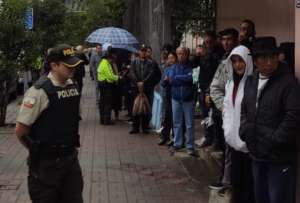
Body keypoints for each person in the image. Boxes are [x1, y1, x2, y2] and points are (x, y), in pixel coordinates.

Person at [15, 44, 84, 203]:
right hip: (46, 167)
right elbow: (20, 130)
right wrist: (38, 152)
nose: (73, 68)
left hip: (70, 161)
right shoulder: (39, 91)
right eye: (68, 65)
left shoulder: (73, 88)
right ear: (54, 65)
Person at [240, 37, 300, 203]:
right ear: (256, 61)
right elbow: (245, 109)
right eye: (264, 58)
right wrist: (244, 130)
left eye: (273, 57)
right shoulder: (251, 81)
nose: (269, 62)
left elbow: (293, 116)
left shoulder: (288, 82)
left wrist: (274, 140)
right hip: (257, 154)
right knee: (261, 198)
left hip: (279, 157)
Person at [223, 45, 254, 203]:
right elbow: (227, 109)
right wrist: (227, 132)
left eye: (240, 61)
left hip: (249, 148)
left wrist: (247, 139)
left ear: (248, 61)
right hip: (233, 145)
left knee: (248, 190)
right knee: (236, 186)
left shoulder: (253, 84)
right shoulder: (231, 84)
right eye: (234, 61)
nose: (237, 65)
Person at [209, 28, 239, 189]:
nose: (226, 42)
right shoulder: (222, 60)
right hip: (225, 114)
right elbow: (215, 87)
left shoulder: (246, 58)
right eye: (223, 39)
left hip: (243, 116)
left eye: (229, 39)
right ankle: (226, 180)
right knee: (226, 148)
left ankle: (229, 181)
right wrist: (225, 108)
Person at [167, 47, 196, 156]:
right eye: (178, 54)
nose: (180, 56)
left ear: (187, 54)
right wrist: (183, 78)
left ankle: (190, 146)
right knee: (177, 123)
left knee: (189, 124)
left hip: (188, 99)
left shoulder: (192, 66)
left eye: (182, 54)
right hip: (176, 99)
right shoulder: (173, 67)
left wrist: (177, 78)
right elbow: (171, 80)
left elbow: (192, 78)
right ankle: (177, 143)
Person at [129, 44, 158, 134]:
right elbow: (132, 73)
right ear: (139, 52)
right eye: (141, 51)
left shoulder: (150, 63)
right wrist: (137, 82)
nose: (143, 52)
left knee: (146, 107)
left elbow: (151, 73)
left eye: (145, 51)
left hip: (146, 88)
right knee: (135, 107)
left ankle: (145, 127)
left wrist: (143, 82)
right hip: (136, 88)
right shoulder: (134, 62)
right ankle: (135, 127)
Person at [158, 51, 177, 146]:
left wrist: (172, 80)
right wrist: (166, 80)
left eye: (172, 58)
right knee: (167, 117)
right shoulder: (167, 69)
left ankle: (174, 138)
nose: (170, 60)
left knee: (175, 119)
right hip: (168, 96)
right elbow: (162, 83)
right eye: (169, 58)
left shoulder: (177, 68)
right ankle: (165, 137)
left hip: (176, 96)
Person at [97, 52, 120, 125]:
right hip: (106, 85)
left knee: (103, 103)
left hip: (103, 85)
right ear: (108, 58)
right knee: (107, 103)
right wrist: (118, 77)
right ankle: (107, 120)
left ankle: (102, 119)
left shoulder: (103, 63)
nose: (112, 61)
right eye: (111, 59)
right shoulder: (105, 64)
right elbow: (110, 75)